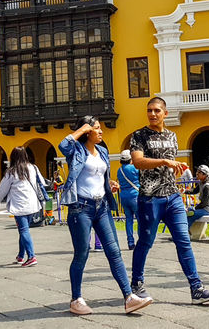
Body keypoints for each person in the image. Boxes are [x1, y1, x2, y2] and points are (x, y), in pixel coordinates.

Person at [59, 115, 153, 315]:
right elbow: (63, 145)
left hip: (101, 207)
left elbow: (99, 176)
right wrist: (82, 129)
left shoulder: (102, 151)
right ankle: (76, 299)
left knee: (114, 252)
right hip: (80, 208)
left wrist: (110, 184)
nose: (101, 131)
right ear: (86, 131)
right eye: (97, 128)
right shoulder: (76, 149)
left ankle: (129, 298)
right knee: (81, 254)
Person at [130, 97, 209, 305]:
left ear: (165, 113)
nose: (152, 114)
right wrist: (165, 161)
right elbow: (138, 162)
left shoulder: (172, 136)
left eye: (157, 110)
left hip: (173, 197)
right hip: (150, 198)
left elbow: (169, 168)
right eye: (149, 110)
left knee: (184, 241)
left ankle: (196, 288)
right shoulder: (139, 135)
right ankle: (136, 284)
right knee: (145, 242)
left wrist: (177, 168)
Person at [0, 147, 48, 267]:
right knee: (23, 230)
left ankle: (32, 256)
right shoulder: (33, 168)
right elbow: (42, 182)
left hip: (19, 205)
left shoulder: (11, 172)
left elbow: (3, 188)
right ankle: (21, 255)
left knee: (24, 230)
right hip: (33, 203)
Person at [117, 149, 139, 250]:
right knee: (140, 219)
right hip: (135, 195)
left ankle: (130, 242)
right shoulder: (134, 168)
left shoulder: (119, 170)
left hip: (124, 196)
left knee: (128, 220)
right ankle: (141, 241)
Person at [182, 165, 209, 230]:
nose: (196, 174)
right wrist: (184, 190)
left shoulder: (207, 186)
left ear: (204, 174)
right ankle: (185, 233)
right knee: (187, 211)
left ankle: (183, 235)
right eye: (197, 172)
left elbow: (204, 203)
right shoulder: (202, 182)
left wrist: (194, 208)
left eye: (199, 172)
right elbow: (194, 190)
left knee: (190, 214)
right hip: (205, 208)